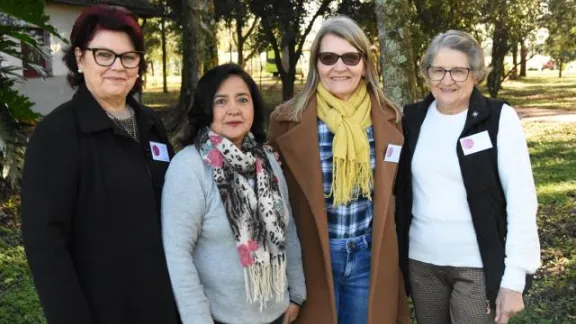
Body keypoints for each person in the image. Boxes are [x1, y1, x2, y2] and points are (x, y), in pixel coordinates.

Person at [20, 5, 179, 324]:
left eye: (128, 56)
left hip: (164, 302)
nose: (117, 66)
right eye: (103, 54)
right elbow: (46, 247)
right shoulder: (57, 135)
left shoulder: (149, 123)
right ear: (80, 58)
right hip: (106, 309)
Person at [267, 16, 410, 324]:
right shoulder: (286, 120)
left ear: (365, 64)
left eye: (351, 57)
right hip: (312, 258)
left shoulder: (389, 118)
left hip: (368, 257)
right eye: (328, 57)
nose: (339, 67)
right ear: (316, 64)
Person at [395, 30, 541, 324]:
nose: (447, 80)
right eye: (438, 70)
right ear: (426, 73)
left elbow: (521, 198)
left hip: (476, 266)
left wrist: (515, 277)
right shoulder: (411, 118)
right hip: (422, 263)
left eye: (458, 71)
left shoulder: (499, 118)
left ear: (475, 74)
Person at [161, 64, 306, 324]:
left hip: (278, 314)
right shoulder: (189, 167)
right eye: (221, 101)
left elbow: (288, 227)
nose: (233, 109)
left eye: (242, 99)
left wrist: (296, 293)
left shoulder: (267, 161)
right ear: (206, 109)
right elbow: (177, 253)